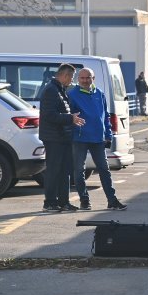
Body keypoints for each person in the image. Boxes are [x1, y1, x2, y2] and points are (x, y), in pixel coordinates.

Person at [67, 68, 127, 211]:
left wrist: (108, 134)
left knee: (104, 169)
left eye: (88, 77)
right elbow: (69, 116)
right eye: (82, 78)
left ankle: (112, 200)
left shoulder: (99, 93)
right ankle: (84, 200)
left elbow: (105, 115)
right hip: (79, 138)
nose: (85, 80)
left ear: (93, 78)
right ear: (78, 79)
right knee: (79, 170)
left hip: (98, 138)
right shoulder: (72, 94)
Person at [38, 63, 85, 213]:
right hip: (53, 138)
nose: (72, 80)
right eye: (72, 77)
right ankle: (50, 202)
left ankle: (64, 202)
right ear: (65, 75)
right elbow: (49, 115)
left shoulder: (60, 89)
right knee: (53, 170)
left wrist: (71, 120)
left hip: (63, 137)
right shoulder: (51, 90)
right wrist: (70, 118)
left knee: (65, 170)